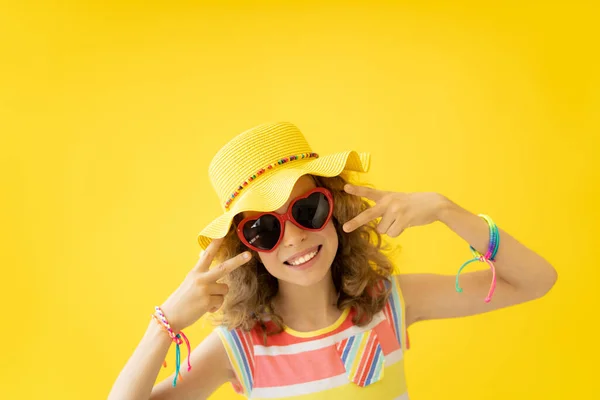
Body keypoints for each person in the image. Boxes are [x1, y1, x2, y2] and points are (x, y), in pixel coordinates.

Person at [108, 122, 557, 400]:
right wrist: (163, 324)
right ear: (246, 250)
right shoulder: (240, 349)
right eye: (265, 228)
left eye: (308, 210)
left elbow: (536, 280)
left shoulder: (392, 303)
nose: (296, 236)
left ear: (336, 208)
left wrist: (446, 210)